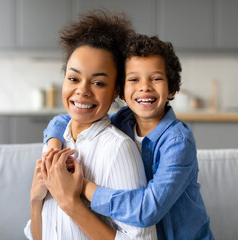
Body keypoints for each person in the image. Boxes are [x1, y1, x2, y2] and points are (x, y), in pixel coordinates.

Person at [44, 34, 214, 239]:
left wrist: (81, 186)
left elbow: (147, 210)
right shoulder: (124, 121)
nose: (145, 87)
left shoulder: (177, 142)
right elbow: (65, 120)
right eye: (134, 79)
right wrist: (52, 148)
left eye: (156, 78)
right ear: (121, 92)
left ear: (171, 88)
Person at [24, 11, 157, 240]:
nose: (83, 90)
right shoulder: (55, 144)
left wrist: (71, 203)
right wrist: (35, 199)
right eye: (73, 79)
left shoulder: (118, 150)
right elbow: (39, 236)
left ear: (116, 90)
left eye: (98, 82)